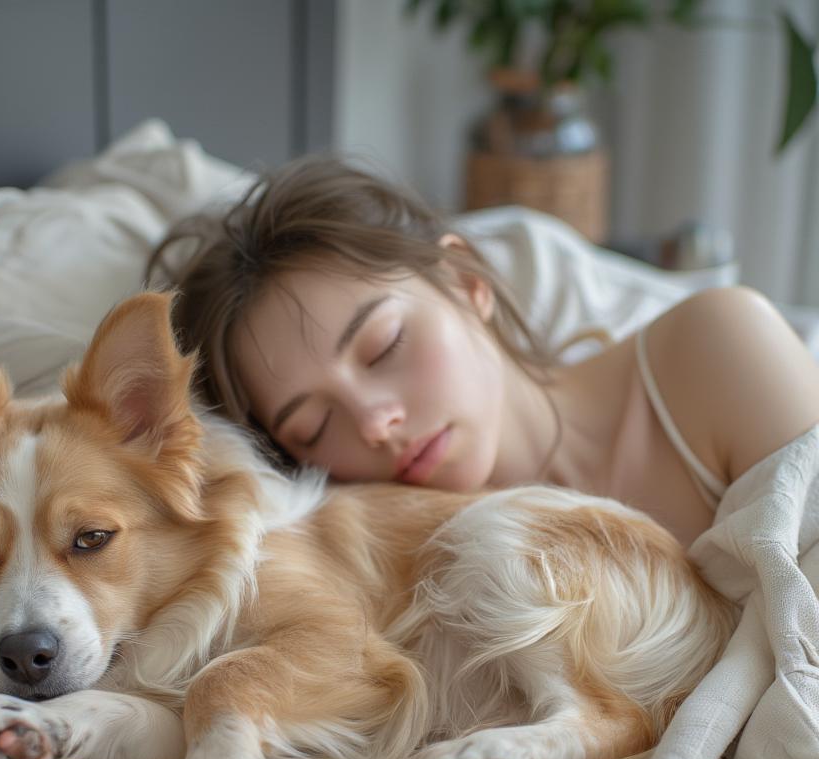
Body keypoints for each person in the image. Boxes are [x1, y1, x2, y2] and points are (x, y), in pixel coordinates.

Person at [148, 157, 819, 548]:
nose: (375, 424)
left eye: (384, 347)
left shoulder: (715, 351)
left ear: (467, 284)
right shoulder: (425, 576)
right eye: (312, 427)